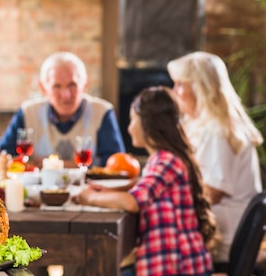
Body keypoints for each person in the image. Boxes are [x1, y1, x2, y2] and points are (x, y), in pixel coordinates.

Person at [73, 86, 216, 276]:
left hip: (177, 266)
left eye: (133, 121)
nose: (129, 128)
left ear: (147, 125)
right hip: (169, 262)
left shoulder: (166, 160)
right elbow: (145, 187)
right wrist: (108, 192)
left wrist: (87, 198)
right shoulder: (162, 159)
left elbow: (134, 202)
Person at [167, 51, 263, 262]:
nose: (175, 92)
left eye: (180, 84)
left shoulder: (217, 131)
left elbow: (213, 192)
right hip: (230, 225)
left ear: (201, 88)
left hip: (229, 234)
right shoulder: (207, 125)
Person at [0, 51, 125, 167]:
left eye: (72, 85)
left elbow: (116, 165)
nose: (66, 95)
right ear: (44, 88)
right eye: (57, 86)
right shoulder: (27, 113)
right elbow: (4, 156)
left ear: (85, 84)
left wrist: (59, 164)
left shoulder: (102, 112)